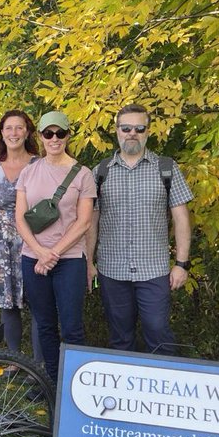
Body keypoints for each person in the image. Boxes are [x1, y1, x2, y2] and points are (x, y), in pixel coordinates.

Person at [86, 103, 194, 355]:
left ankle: (167, 387)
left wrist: (181, 263)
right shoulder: (99, 172)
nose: (132, 133)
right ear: (116, 131)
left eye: (139, 128)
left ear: (148, 131)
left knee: (158, 332)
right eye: (126, 128)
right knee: (120, 337)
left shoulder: (166, 168)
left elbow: (181, 219)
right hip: (112, 270)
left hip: (153, 270)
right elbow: (91, 221)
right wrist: (89, 262)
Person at [15, 110, 96, 382]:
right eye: (48, 133)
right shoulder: (29, 172)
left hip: (70, 259)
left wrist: (54, 254)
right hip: (33, 258)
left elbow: (83, 222)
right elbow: (20, 217)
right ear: (39, 136)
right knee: (45, 326)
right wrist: (40, 253)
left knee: (72, 327)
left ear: (68, 135)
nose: (54, 138)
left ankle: (76, 385)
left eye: (60, 133)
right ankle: (52, 382)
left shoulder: (83, 174)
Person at [0, 110, 39, 353]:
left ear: (27, 132)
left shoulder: (39, 165)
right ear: (2, 133)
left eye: (19, 127)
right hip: (0, 240)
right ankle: (14, 358)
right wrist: (5, 225)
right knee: (7, 302)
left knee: (37, 301)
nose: (13, 133)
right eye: (8, 128)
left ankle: (40, 363)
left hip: (33, 238)